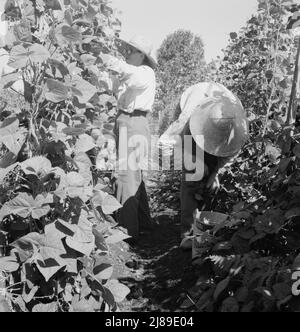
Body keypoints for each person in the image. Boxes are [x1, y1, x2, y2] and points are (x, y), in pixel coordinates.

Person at [159, 82, 249, 250]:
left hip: (220, 120)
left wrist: (215, 172)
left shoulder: (236, 121)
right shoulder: (188, 118)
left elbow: (231, 152)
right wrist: (194, 160)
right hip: (190, 133)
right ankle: (188, 234)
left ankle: (204, 225)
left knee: (209, 183)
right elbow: (166, 144)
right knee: (192, 180)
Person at [99, 35, 157, 242]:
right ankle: (142, 223)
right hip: (128, 123)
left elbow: (127, 73)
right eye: (127, 49)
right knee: (134, 176)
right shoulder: (132, 74)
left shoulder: (144, 72)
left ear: (142, 55)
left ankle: (126, 231)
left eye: (131, 50)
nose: (127, 53)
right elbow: (112, 83)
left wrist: (107, 58)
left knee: (126, 175)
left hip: (133, 123)